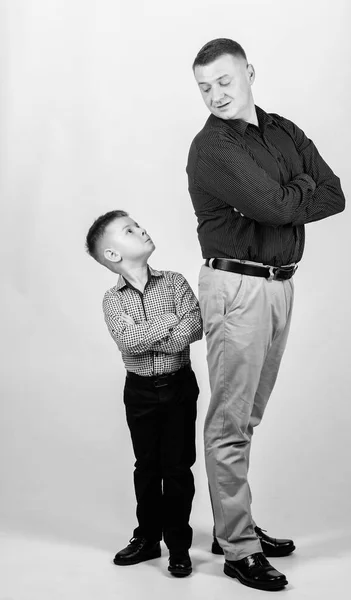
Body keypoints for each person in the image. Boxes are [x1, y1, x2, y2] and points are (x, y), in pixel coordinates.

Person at [187, 38, 345, 591]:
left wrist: (286, 191)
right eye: (204, 87)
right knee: (230, 422)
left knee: (247, 417)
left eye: (224, 82)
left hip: (279, 286)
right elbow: (280, 207)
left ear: (249, 72)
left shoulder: (283, 131)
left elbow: (335, 193)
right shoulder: (212, 149)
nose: (215, 95)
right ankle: (237, 548)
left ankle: (236, 525)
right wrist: (291, 193)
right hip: (235, 287)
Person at [85, 210, 202, 577]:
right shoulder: (112, 299)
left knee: (179, 468)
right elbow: (128, 342)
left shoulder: (176, 282)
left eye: (138, 225)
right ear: (113, 256)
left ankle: (179, 546)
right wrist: (170, 322)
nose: (142, 230)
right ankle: (148, 537)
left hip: (180, 386)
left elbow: (195, 327)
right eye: (130, 230)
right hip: (140, 392)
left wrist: (151, 330)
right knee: (147, 468)